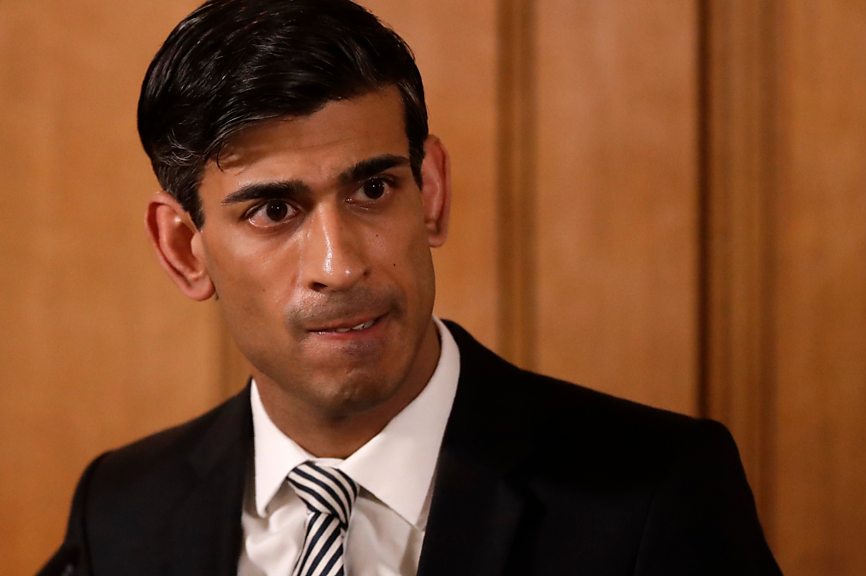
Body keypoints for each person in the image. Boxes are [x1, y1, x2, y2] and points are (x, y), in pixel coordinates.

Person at [40, 0, 782, 574]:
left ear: (430, 191)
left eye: (373, 189)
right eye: (274, 211)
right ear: (184, 250)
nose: (340, 265)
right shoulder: (121, 511)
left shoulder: (655, 494)